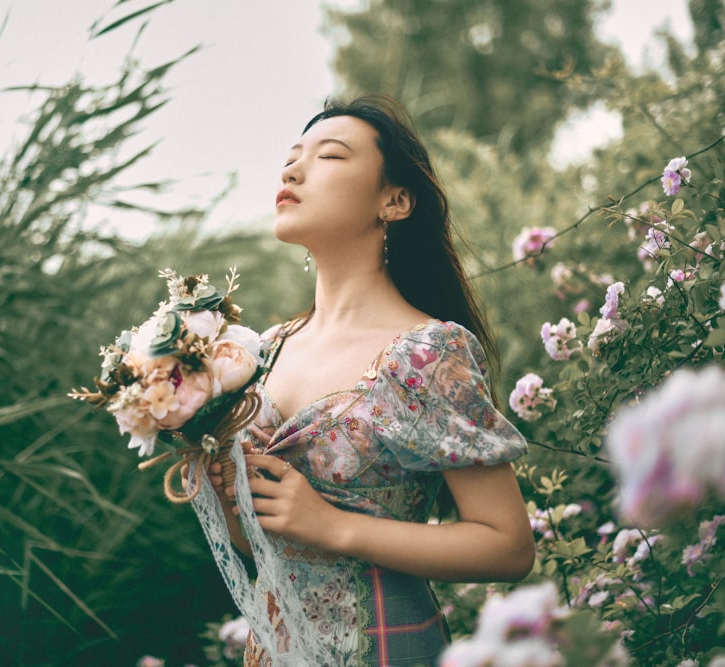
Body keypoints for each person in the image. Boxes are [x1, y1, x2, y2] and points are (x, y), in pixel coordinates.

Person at [200, 95, 534, 667]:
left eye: (329, 156)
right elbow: (262, 540)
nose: (292, 170)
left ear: (395, 201)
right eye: (291, 158)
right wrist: (221, 491)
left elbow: (507, 546)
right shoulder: (264, 351)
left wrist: (333, 525)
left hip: (383, 644)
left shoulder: (427, 353)